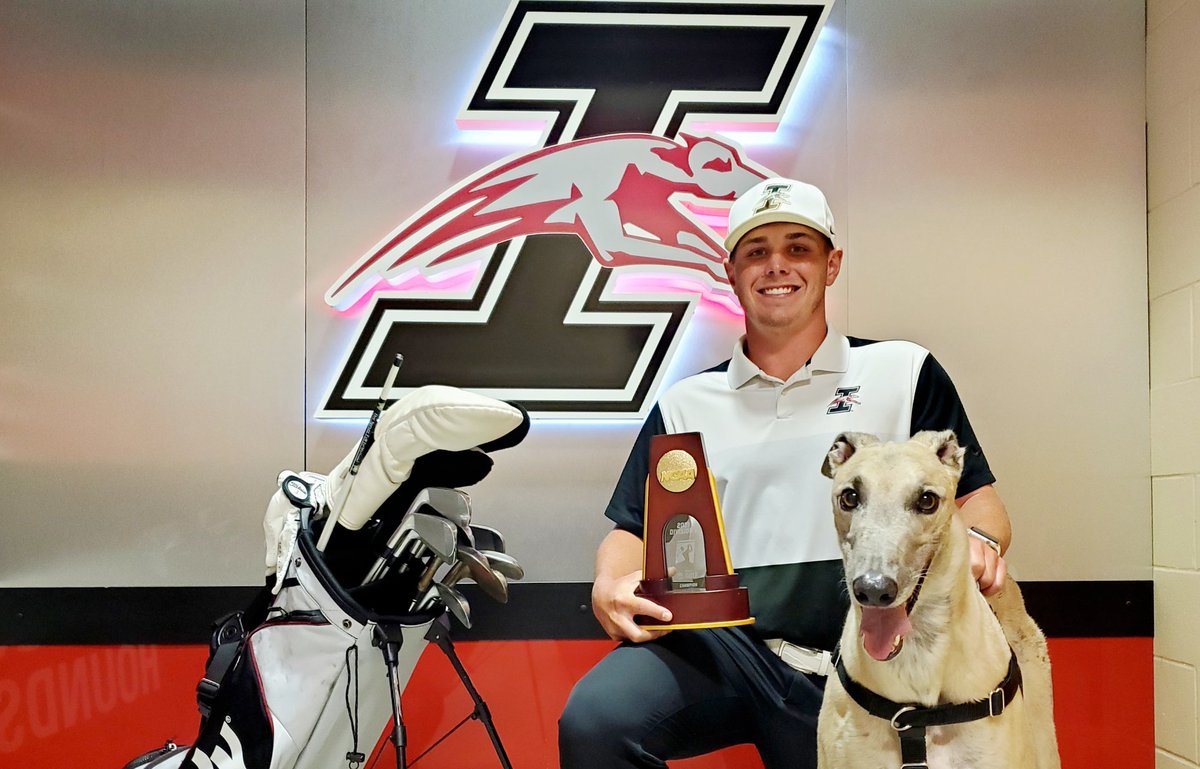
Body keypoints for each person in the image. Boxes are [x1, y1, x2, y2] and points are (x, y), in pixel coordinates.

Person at [557, 177, 1012, 769]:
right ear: (731, 271)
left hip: (871, 659)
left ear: (832, 264)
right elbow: (631, 532)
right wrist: (608, 585)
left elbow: (980, 504)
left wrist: (978, 544)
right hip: (724, 649)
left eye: (798, 247)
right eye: (757, 251)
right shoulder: (686, 403)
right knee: (595, 720)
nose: (777, 266)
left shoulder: (904, 371)